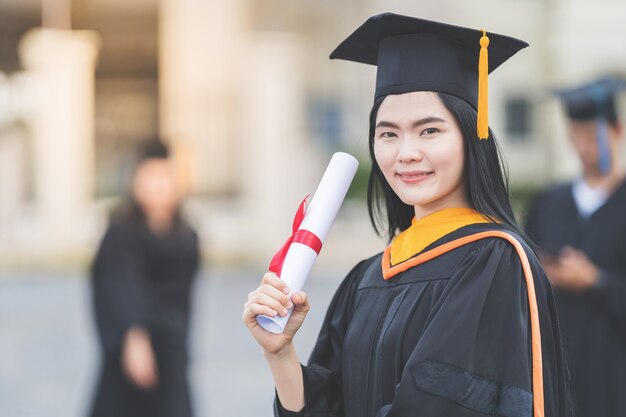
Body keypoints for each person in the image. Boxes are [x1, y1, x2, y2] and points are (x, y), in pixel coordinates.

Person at [242, 12, 572, 417]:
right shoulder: (366, 278)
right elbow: (329, 408)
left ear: (472, 135)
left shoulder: (492, 261)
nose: (406, 152)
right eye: (388, 133)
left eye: (429, 130)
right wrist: (280, 353)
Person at [525, 77, 626, 417]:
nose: (583, 146)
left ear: (617, 131)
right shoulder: (548, 201)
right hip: (554, 374)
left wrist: (596, 281)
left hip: (613, 380)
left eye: (591, 134)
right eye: (576, 135)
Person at [89, 139, 200, 417]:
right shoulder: (121, 232)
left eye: (166, 176)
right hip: (133, 351)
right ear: (136, 182)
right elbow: (118, 286)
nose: (160, 185)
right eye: (152, 177)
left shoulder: (186, 234)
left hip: (172, 347)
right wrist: (134, 339)